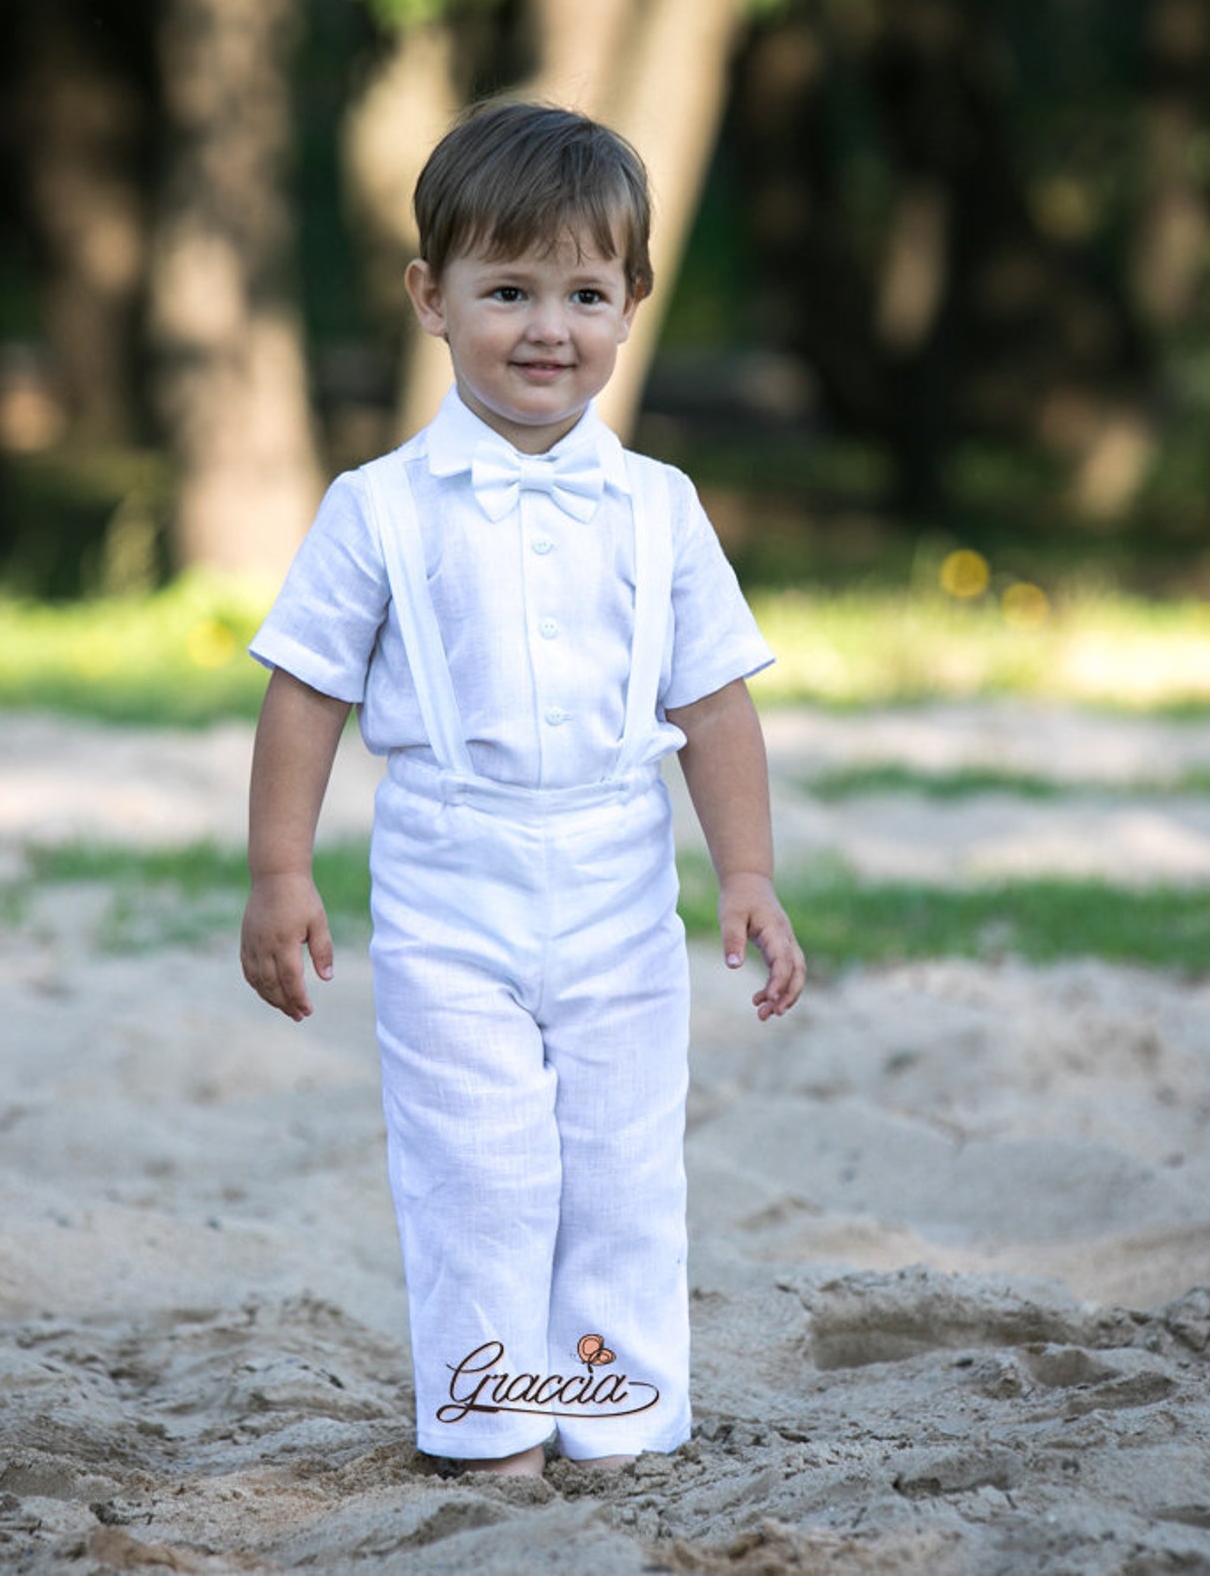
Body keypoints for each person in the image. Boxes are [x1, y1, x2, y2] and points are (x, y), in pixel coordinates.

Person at [240, 99, 805, 1477]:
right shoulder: (377, 507)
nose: (548, 327)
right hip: (448, 876)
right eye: (508, 290)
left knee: (619, 1165)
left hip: (617, 874)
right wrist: (280, 872)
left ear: (632, 304)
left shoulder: (659, 505)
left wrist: (745, 873)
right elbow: (307, 689)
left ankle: (615, 1412)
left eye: (585, 293)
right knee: (480, 1164)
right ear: (432, 298)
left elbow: (713, 698)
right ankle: (488, 1415)